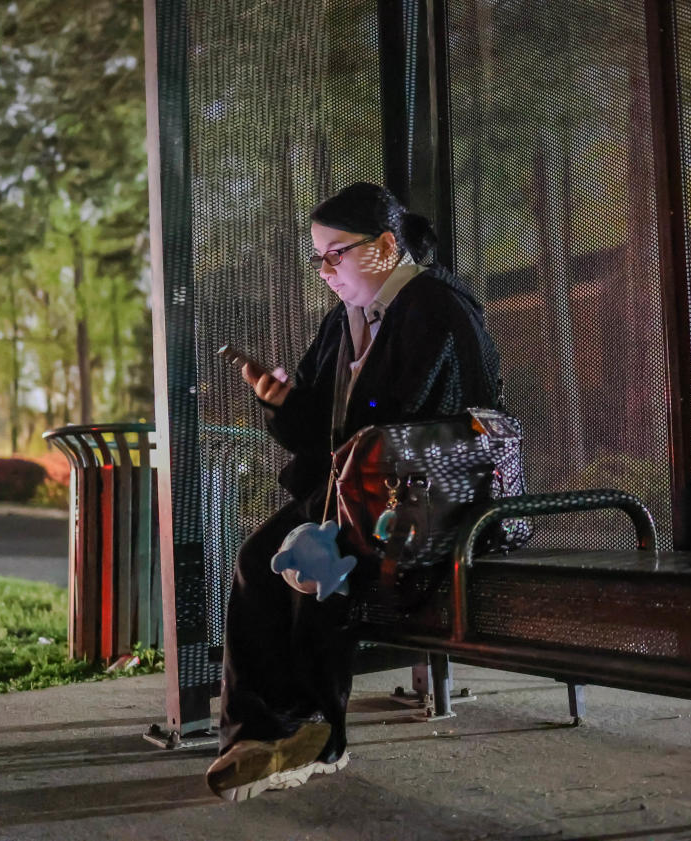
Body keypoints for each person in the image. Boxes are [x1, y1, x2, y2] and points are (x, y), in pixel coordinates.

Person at [205, 182, 503, 801]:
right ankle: (264, 731)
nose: (324, 271)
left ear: (385, 246)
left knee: (315, 565)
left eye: (335, 254)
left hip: (431, 505)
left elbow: (439, 420)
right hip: (362, 496)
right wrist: (283, 401)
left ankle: (310, 729)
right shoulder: (344, 322)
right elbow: (324, 432)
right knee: (264, 558)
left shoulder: (437, 306)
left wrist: (338, 422)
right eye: (318, 258)